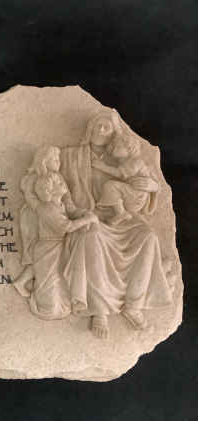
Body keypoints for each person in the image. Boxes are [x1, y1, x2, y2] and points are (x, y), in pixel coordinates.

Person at [59, 109, 173, 338]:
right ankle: (99, 309)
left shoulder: (123, 156)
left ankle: (133, 305)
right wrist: (78, 213)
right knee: (90, 237)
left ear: (114, 133)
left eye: (107, 127)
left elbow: (151, 183)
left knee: (147, 237)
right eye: (98, 125)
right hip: (90, 216)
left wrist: (152, 188)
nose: (102, 130)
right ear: (89, 129)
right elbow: (58, 186)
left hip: (122, 217)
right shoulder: (71, 156)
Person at [29, 168, 98, 320]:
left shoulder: (60, 205)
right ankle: (45, 308)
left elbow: (72, 213)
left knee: (61, 282)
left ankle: (62, 307)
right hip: (48, 250)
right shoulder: (48, 208)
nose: (63, 183)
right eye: (59, 183)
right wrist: (87, 219)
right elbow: (66, 227)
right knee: (49, 286)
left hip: (61, 248)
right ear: (50, 190)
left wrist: (84, 214)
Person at [93, 133, 156, 225]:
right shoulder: (124, 161)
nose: (114, 148)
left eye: (118, 146)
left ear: (130, 150)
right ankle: (119, 213)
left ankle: (121, 213)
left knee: (111, 186)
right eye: (113, 145)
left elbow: (121, 173)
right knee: (112, 187)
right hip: (132, 193)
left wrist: (102, 167)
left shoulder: (135, 162)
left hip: (136, 195)